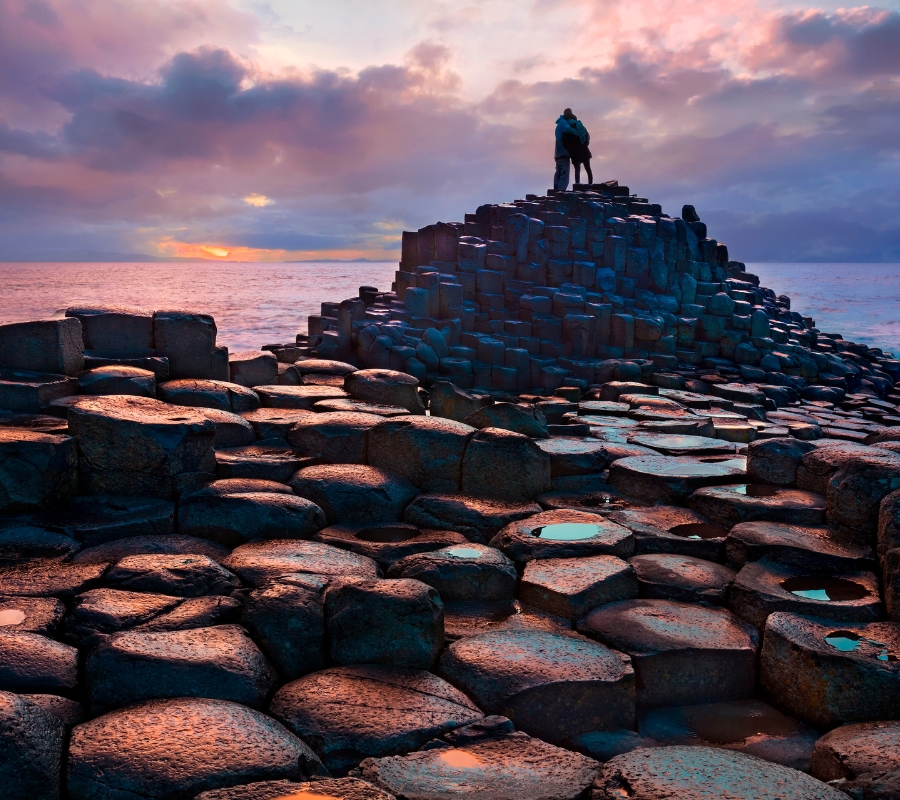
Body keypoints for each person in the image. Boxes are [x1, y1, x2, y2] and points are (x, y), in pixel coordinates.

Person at [553, 108, 576, 191]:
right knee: (564, 172)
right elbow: (568, 129)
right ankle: (561, 191)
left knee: (558, 172)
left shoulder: (559, 124)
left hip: (558, 152)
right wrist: (577, 132)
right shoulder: (564, 123)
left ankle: (556, 189)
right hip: (564, 152)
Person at [570, 115, 593, 185]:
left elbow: (569, 141)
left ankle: (577, 184)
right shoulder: (581, 126)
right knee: (588, 169)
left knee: (577, 170)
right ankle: (590, 184)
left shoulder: (569, 128)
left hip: (575, 151)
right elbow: (587, 137)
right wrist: (585, 144)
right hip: (584, 150)